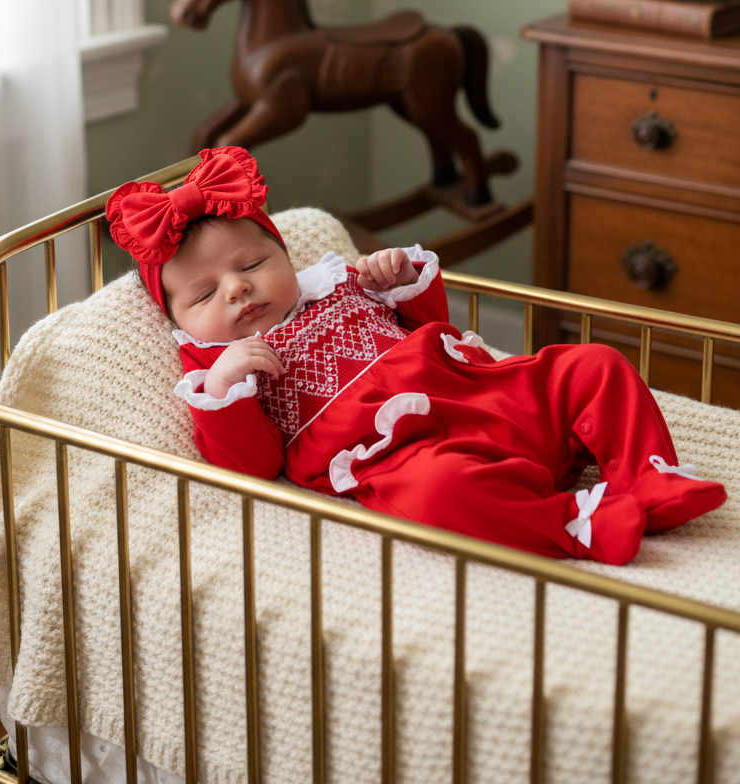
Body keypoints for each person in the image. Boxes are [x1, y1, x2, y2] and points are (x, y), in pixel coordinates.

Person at [106, 147, 726, 565]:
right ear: (178, 319)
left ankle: (646, 475)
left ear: (285, 258)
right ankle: (574, 522)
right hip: (410, 451)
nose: (237, 288)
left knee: (592, 365)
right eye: (206, 293)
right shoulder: (217, 368)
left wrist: (397, 279)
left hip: (491, 394)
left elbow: (432, 327)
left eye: (252, 265)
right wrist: (226, 391)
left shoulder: (336, 282)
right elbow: (255, 465)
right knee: (437, 495)